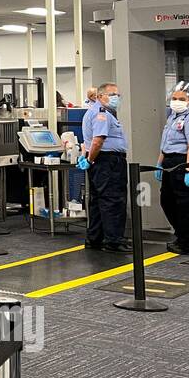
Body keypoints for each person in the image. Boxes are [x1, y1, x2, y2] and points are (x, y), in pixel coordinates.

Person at [77, 82, 130, 253]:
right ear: (100, 97)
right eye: (112, 94)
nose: (116, 98)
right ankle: (114, 241)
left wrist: (88, 159)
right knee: (113, 200)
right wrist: (91, 160)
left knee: (98, 201)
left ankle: (95, 238)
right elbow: (98, 140)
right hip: (108, 162)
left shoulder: (97, 112)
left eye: (117, 95)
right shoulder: (102, 114)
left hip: (101, 161)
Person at [154, 87, 189, 254]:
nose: (177, 101)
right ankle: (182, 236)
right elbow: (165, 145)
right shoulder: (172, 118)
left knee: (187, 206)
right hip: (170, 162)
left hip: (186, 162)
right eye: (174, 98)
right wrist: (159, 164)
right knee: (168, 201)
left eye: (181, 99)